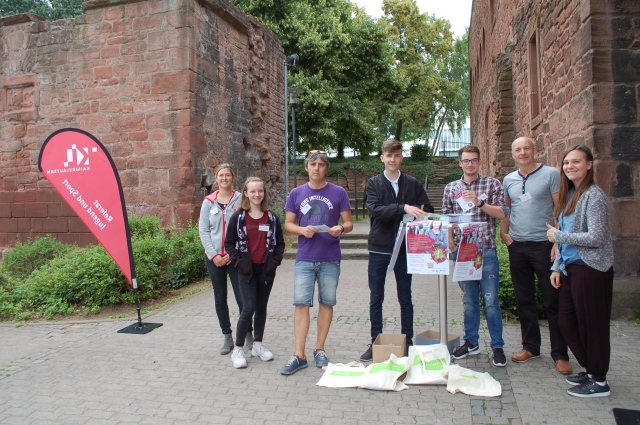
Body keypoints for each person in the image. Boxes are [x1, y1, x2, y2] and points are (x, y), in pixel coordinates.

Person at [546, 145, 614, 397]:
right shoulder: (572, 194)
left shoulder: (594, 196)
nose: (570, 166)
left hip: (592, 270)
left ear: (589, 165)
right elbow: (564, 240)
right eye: (566, 163)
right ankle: (591, 368)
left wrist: (558, 235)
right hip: (571, 269)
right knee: (566, 322)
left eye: (576, 161)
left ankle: (599, 380)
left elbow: (597, 237)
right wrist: (556, 266)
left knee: (592, 326)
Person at [501, 137, 572, 375]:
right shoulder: (509, 179)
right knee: (524, 299)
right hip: (518, 245)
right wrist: (503, 233)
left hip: (545, 245)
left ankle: (560, 354)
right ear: (513, 153)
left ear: (535, 150)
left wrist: (558, 241)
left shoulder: (551, 174)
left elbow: (560, 208)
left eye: (526, 148)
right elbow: (507, 209)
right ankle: (530, 347)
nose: (523, 153)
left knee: (553, 300)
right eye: (518, 149)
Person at [280, 150, 353, 375]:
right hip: (305, 257)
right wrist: (302, 230)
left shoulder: (338, 192)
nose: (317, 168)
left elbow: (349, 223)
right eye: (313, 164)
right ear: (307, 167)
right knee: (301, 304)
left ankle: (319, 349)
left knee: (326, 303)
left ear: (326, 168)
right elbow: (288, 224)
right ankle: (299, 355)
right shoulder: (296, 192)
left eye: (321, 164)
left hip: (330, 256)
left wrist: (340, 228)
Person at [360, 138, 433, 362]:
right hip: (380, 248)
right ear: (382, 157)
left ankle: (408, 342)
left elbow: (427, 209)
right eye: (388, 155)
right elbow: (375, 210)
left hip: (405, 248)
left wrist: (418, 214)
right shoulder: (373, 183)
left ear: (402, 157)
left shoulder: (412, 183)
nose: (392, 159)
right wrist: (403, 208)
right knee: (376, 297)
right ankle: (375, 342)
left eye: (397, 155)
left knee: (406, 297)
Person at [442, 145, 509, 367]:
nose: (469, 164)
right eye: (465, 161)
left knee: (491, 302)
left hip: (486, 250)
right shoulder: (451, 187)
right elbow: (447, 217)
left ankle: (497, 346)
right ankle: (471, 342)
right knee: (469, 301)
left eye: (473, 160)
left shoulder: (492, 184)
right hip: (462, 252)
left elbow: (502, 213)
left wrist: (479, 202)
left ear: (479, 162)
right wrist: (450, 241)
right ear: (459, 163)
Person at [224, 177, 285, 368]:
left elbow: (280, 244)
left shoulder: (272, 218)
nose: (257, 194)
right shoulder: (239, 217)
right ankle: (238, 349)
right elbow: (229, 244)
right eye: (253, 191)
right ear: (245, 193)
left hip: (265, 270)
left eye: (260, 191)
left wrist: (274, 263)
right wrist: (239, 263)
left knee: (261, 307)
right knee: (248, 308)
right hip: (246, 271)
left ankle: (258, 344)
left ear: (264, 193)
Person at [198, 164, 252, 355]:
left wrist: (234, 252)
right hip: (214, 258)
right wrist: (214, 255)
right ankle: (227, 336)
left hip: (236, 257)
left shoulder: (240, 199)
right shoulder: (208, 202)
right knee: (220, 298)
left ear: (233, 177)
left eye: (227, 175)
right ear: (216, 179)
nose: (224, 178)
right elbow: (203, 230)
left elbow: (246, 227)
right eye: (221, 175)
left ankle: (248, 333)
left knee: (242, 297)